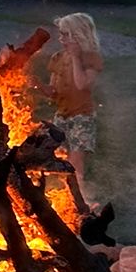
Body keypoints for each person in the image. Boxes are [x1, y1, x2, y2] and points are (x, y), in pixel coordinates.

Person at [47, 12, 104, 194]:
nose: (61, 39)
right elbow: (53, 92)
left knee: (76, 161)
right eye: (61, 34)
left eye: (66, 35)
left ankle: (79, 197)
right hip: (61, 115)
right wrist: (37, 85)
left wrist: (75, 58)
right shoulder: (57, 57)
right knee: (57, 156)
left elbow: (81, 85)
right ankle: (60, 193)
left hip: (82, 116)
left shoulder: (91, 58)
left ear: (79, 36)